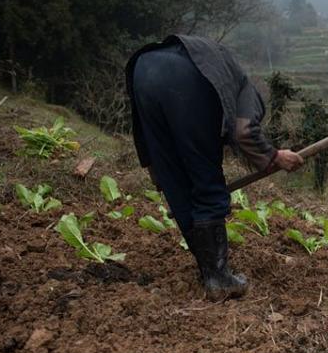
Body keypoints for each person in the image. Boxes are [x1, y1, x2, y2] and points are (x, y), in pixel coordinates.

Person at [125, 35, 303, 297]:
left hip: (142, 68)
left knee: (178, 186)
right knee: (207, 184)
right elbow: (244, 132)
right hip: (184, 77)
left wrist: (157, 172)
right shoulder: (245, 87)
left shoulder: (216, 69)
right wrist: (275, 156)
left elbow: (147, 137)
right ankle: (219, 278)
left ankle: (209, 270)